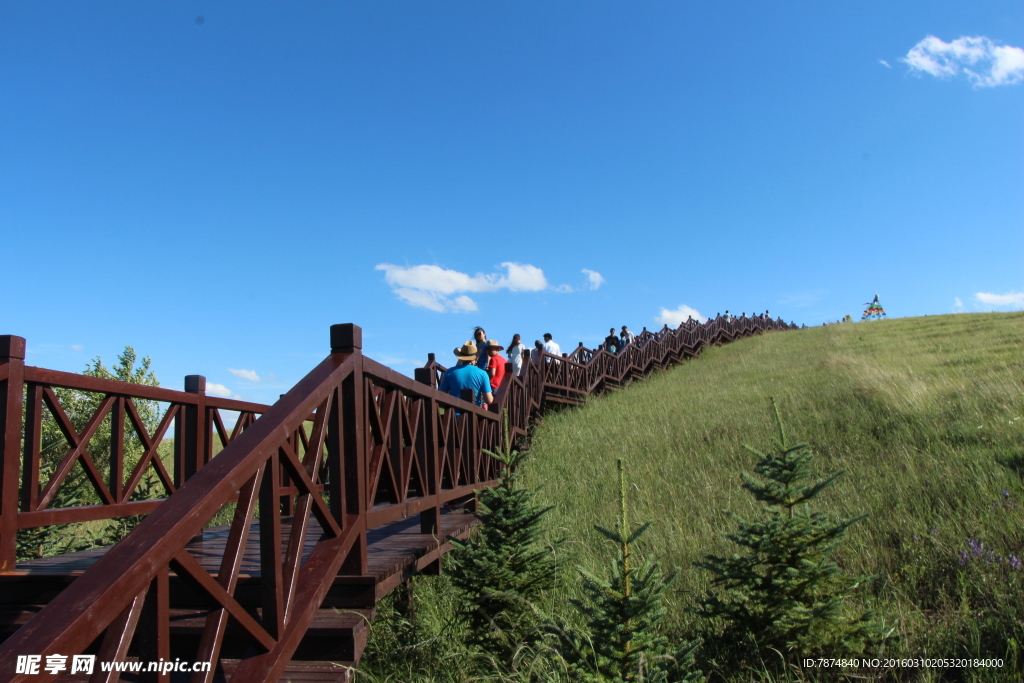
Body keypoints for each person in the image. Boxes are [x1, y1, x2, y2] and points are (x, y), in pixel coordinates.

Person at [438, 341, 493, 407]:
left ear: (461, 357)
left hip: (452, 415)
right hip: (473, 414)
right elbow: (488, 400)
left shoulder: (449, 372)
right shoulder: (483, 374)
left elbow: (441, 395)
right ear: (476, 358)